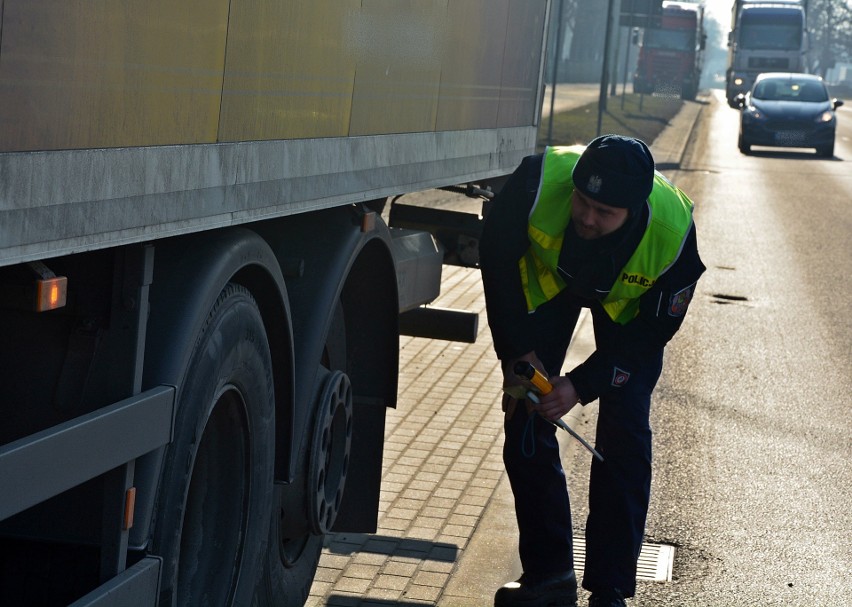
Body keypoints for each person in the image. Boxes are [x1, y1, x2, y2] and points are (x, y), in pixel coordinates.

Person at [479, 135, 705, 607]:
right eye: (583, 201)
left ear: (634, 210)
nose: (586, 217)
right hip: (550, 288)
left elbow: (648, 338)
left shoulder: (673, 238)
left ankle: (611, 588)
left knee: (624, 435)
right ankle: (549, 576)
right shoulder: (537, 184)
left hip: (629, 319)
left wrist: (580, 386)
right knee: (526, 414)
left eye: (605, 213)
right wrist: (517, 350)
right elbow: (497, 259)